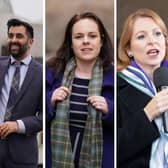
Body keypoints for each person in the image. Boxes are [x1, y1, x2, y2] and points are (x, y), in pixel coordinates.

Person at [46, 12, 114, 168]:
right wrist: (49, 100)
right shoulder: (52, 72)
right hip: (56, 159)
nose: (85, 41)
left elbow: (127, 120)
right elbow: (34, 110)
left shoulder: (115, 76)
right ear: (71, 42)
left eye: (92, 36)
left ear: (101, 41)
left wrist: (109, 108)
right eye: (78, 37)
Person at [117, 8, 168, 168]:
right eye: (141, 36)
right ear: (129, 50)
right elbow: (112, 150)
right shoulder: (115, 87)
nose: (152, 41)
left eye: (157, 34)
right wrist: (147, 114)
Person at [0, 18, 42, 168]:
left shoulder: (41, 74)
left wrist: (18, 125)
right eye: (10, 35)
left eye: (19, 36)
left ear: (30, 42)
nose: (13, 40)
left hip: (22, 157)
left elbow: (46, 116)